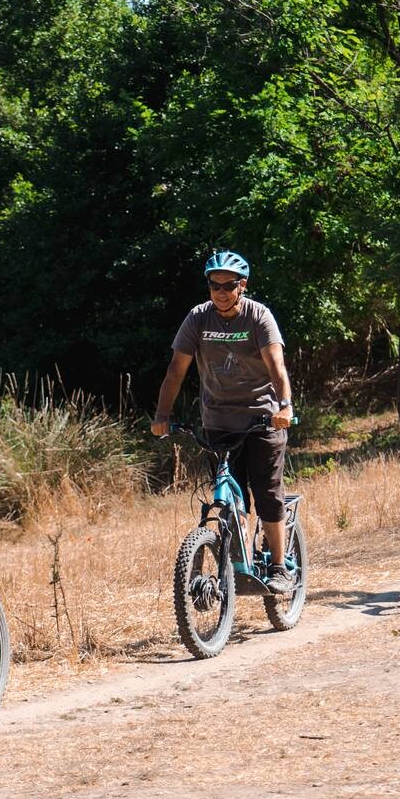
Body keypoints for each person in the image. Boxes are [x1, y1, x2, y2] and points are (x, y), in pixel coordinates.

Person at [149, 249, 298, 593]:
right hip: (218, 422)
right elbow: (176, 371)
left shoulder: (259, 316)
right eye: (214, 285)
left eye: (228, 285)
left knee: (266, 493)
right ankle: (238, 568)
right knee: (232, 497)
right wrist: (162, 415)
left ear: (242, 286)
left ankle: (279, 566)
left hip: (263, 419)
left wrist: (285, 406)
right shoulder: (198, 318)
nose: (220, 292)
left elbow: (277, 366)